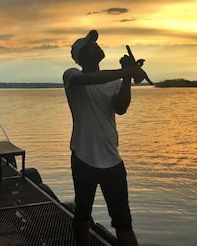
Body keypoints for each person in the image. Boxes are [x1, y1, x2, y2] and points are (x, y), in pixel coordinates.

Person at [63, 30, 145, 246]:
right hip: (83, 157)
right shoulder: (71, 75)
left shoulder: (113, 80)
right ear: (82, 56)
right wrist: (126, 71)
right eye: (91, 45)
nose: (97, 46)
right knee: (82, 213)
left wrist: (127, 76)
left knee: (123, 222)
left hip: (112, 161)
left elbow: (121, 108)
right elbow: (89, 79)